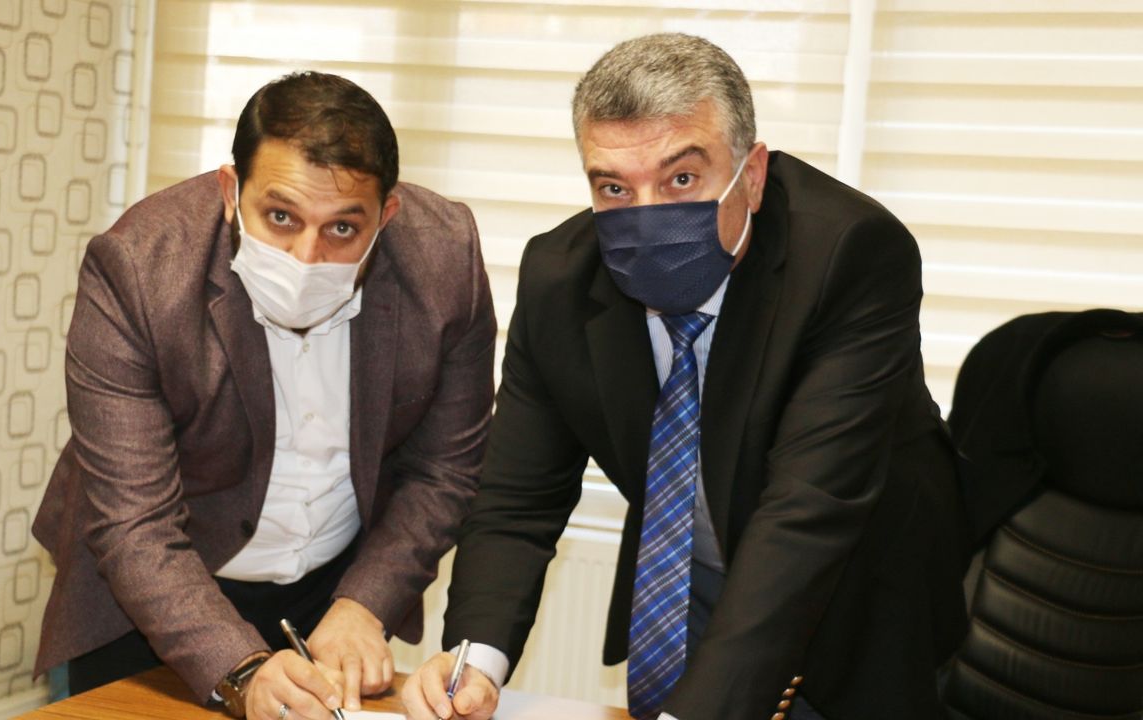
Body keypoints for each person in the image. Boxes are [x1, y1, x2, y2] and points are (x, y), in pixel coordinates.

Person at [404, 33, 967, 720]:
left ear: (751, 175)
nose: (647, 217)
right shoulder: (561, 278)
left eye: (680, 180)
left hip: (854, 593)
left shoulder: (848, 257)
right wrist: (474, 661)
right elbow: (518, 499)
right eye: (614, 187)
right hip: (684, 581)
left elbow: (806, 513)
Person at [31, 72, 496, 720]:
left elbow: (445, 470)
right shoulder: (139, 268)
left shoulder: (445, 257)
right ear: (231, 192)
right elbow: (133, 522)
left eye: (342, 228)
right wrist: (242, 668)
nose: (307, 255)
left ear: (386, 216)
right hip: (147, 602)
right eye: (281, 217)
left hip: (329, 603)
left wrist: (365, 602)